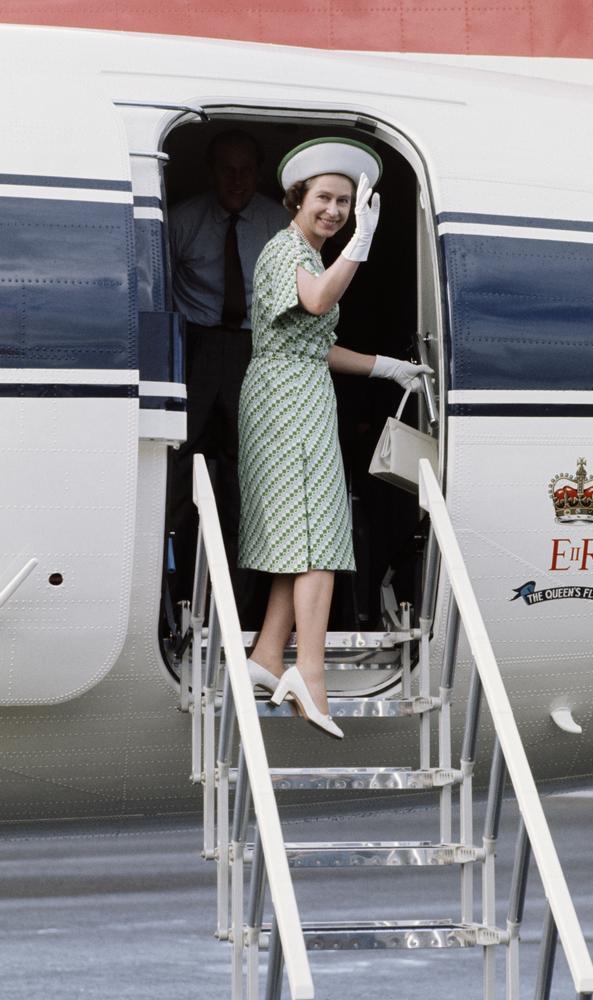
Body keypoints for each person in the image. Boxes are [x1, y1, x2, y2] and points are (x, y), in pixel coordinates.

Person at [237, 137, 432, 738]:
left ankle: (269, 658)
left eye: (346, 202)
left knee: (298, 537)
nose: (336, 209)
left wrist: (387, 367)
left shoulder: (306, 254)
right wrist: (362, 244)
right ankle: (311, 678)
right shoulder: (287, 251)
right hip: (288, 404)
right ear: (298, 198)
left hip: (295, 394)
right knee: (320, 538)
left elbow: (314, 345)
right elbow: (319, 302)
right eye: (325, 197)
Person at [167, 129, 288, 614]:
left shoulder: (279, 222)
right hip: (192, 348)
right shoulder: (182, 220)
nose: (237, 180)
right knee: (175, 471)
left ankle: (241, 604)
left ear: (257, 173)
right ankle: (169, 595)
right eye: (226, 169)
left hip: (255, 349)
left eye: (246, 170)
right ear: (210, 171)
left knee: (252, 476)